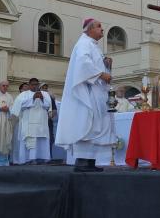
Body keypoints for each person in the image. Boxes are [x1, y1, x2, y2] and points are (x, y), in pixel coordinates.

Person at [56, 18, 116, 172]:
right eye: (99, 26)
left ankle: (89, 161)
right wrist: (102, 74)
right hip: (87, 93)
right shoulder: (84, 43)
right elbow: (83, 64)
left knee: (94, 125)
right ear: (89, 30)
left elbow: (92, 65)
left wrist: (106, 65)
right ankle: (82, 161)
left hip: (96, 91)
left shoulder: (92, 45)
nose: (102, 29)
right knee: (87, 123)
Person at [11, 78, 52, 164]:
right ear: (29, 85)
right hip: (28, 123)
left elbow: (49, 106)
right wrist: (32, 99)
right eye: (33, 84)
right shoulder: (23, 94)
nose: (34, 86)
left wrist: (42, 99)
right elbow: (19, 106)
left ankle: (42, 158)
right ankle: (29, 159)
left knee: (41, 139)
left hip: (42, 123)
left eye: (36, 84)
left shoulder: (45, 94)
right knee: (30, 139)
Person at [40, 83, 58, 152]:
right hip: (38, 123)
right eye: (43, 88)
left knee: (50, 139)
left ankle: (49, 156)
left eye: (46, 88)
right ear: (40, 89)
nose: (44, 89)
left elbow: (54, 111)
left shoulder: (50, 98)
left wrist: (49, 116)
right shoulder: (36, 96)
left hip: (48, 122)